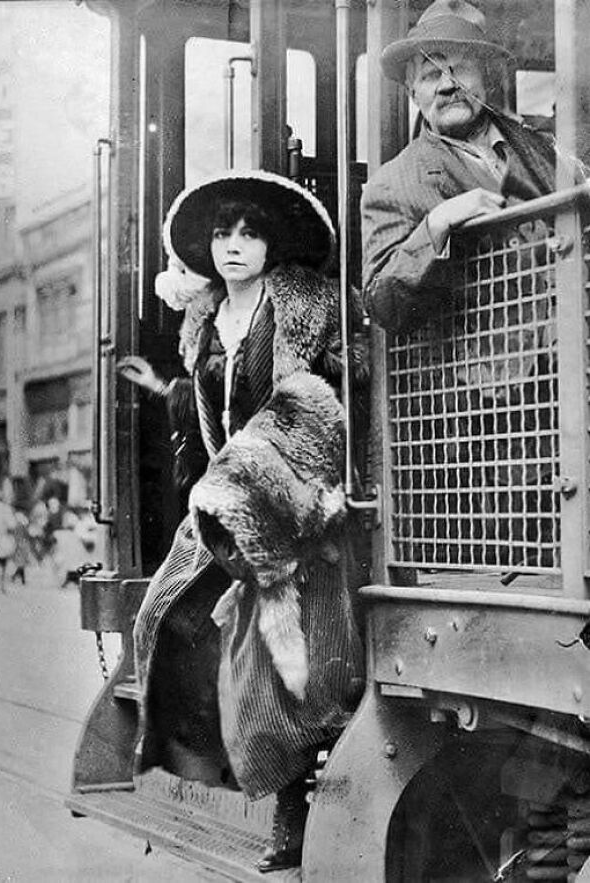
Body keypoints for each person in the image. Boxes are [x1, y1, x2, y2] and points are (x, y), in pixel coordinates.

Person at [120, 170, 369, 873]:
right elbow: (216, 413)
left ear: (272, 243)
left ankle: (291, 817)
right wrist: (169, 393)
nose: (234, 245)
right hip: (224, 495)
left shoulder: (310, 304)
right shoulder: (201, 321)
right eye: (223, 233)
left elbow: (352, 378)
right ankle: (212, 770)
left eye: (249, 232)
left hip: (295, 496)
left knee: (286, 665)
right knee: (161, 617)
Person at [361, 0, 586, 333]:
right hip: (479, 379)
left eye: (461, 68)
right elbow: (382, 303)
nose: (448, 84)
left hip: (570, 350)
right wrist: (436, 226)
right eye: (431, 74)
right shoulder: (391, 184)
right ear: (413, 93)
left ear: (487, 78)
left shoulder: (542, 147)